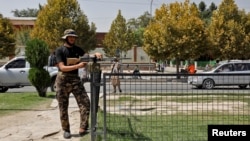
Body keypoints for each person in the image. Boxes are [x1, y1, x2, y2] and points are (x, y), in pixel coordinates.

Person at [55, 29, 102, 139]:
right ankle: (66, 130)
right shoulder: (59, 51)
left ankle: (83, 127)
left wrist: (95, 54)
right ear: (66, 38)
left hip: (75, 79)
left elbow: (87, 56)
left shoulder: (77, 49)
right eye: (70, 37)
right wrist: (78, 66)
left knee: (85, 102)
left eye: (74, 37)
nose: (72, 39)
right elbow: (62, 67)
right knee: (63, 106)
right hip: (62, 80)